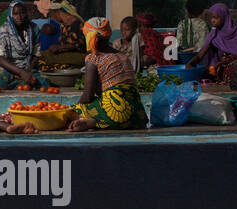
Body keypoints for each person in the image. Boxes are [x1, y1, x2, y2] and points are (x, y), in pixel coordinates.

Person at [12, 17, 147, 133]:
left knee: (71, 110)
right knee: (99, 105)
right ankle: (93, 121)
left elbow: (87, 96)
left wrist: (76, 109)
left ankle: (90, 122)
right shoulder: (122, 56)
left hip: (117, 113)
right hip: (138, 116)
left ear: (90, 37)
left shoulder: (93, 59)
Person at [187, 3, 237, 83]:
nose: (212, 20)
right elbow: (201, 54)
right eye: (211, 18)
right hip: (219, 70)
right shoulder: (214, 33)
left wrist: (233, 58)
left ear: (224, 17)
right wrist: (190, 64)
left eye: (216, 18)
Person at [0, 0, 40, 88]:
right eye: (15, 14)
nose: (19, 17)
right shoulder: (4, 31)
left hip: (26, 66)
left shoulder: (33, 28)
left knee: (42, 82)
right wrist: (19, 72)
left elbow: (36, 54)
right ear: (10, 15)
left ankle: (20, 84)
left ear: (26, 13)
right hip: (6, 67)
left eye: (22, 13)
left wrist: (27, 71)